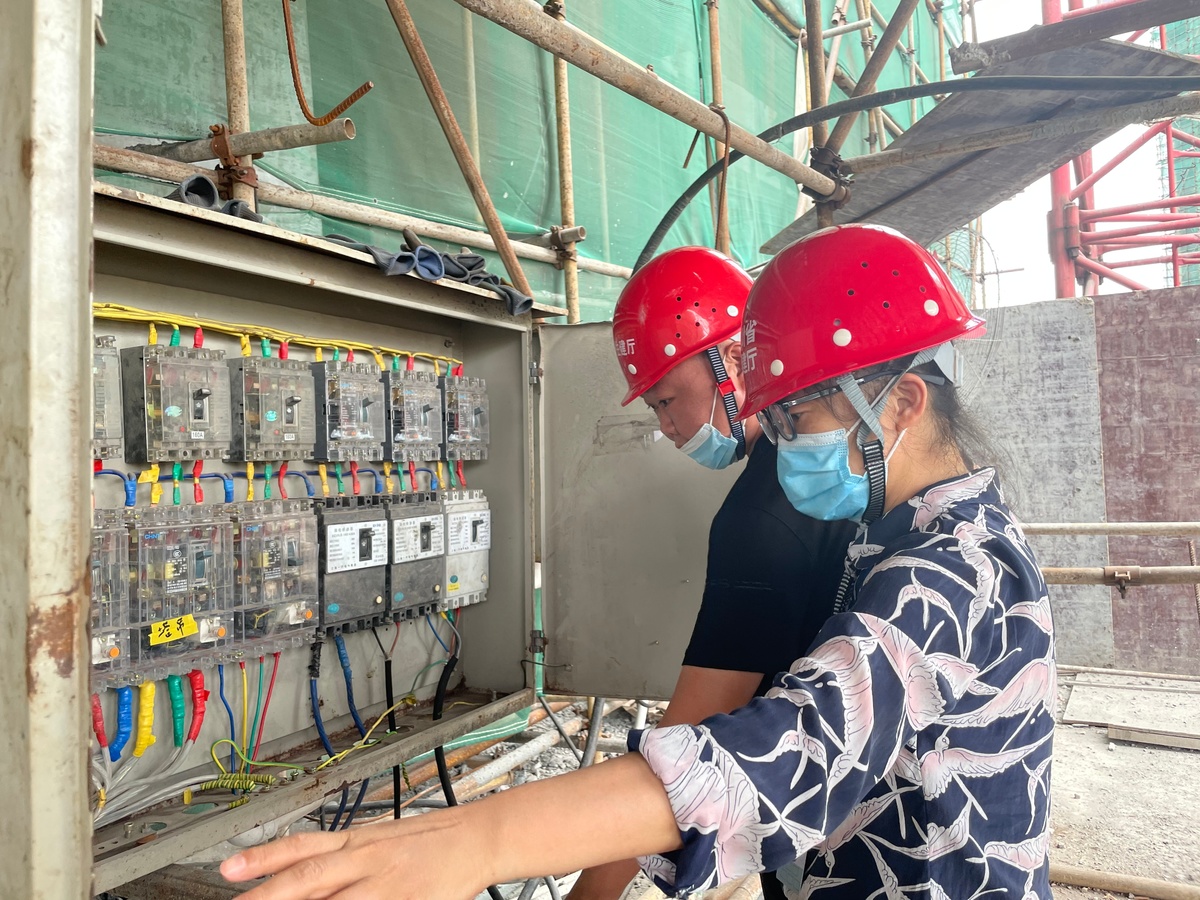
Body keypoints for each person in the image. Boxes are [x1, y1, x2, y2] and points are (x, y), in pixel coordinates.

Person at [221, 224, 1055, 900]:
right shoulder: (897, 534)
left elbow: (793, 749)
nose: (784, 446)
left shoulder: (953, 572)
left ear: (901, 403)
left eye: (799, 419)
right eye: (777, 421)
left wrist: (479, 839)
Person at [577, 246, 855, 900]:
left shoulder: (760, 517)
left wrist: (590, 894)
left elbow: (687, 743)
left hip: (829, 832)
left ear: (733, 358)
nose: (667, 427)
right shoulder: (835, 469)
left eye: (668, 400)